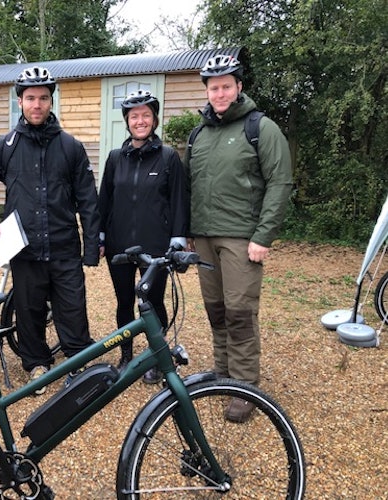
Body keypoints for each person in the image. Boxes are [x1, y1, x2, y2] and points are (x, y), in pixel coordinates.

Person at [0, 66, 100, 394]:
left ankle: (76, 363)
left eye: (43, 98)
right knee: (29, 310)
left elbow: (88, 201)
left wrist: (91, 247)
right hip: (23, 248)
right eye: (30, 98)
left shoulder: (71, 147)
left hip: (64, 246)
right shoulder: (5, 145)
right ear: (20, 102)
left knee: (72, 308)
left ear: (51, 102)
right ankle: (37, 363)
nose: (36, 104)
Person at [184, 54, 293, 421]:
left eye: (226, 86)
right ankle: (224, 372)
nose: (219, 93)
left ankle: (245, 386)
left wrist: (264, 235)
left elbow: (280, 183)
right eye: (213, 87)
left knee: (240, 312)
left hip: (242, 238)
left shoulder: (261, 128)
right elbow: (190, 185)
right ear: (207, 91)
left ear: (239, 87)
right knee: (216, 309)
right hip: (203, 237)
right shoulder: (198, 134)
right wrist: (187, 232)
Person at [98, 90, 188, 384]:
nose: (140, 121)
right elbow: (105, 200)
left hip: (155, 244)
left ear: (154, 119)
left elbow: (178, 200)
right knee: (124, 301)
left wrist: (178, 237)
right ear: (127, 121)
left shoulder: (168, 157)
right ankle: (126, 355)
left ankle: (155, 357)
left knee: (152, 301)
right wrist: (100, 235)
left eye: (146, 115)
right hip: (119, 242)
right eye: (134, 116)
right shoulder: (115, 158)